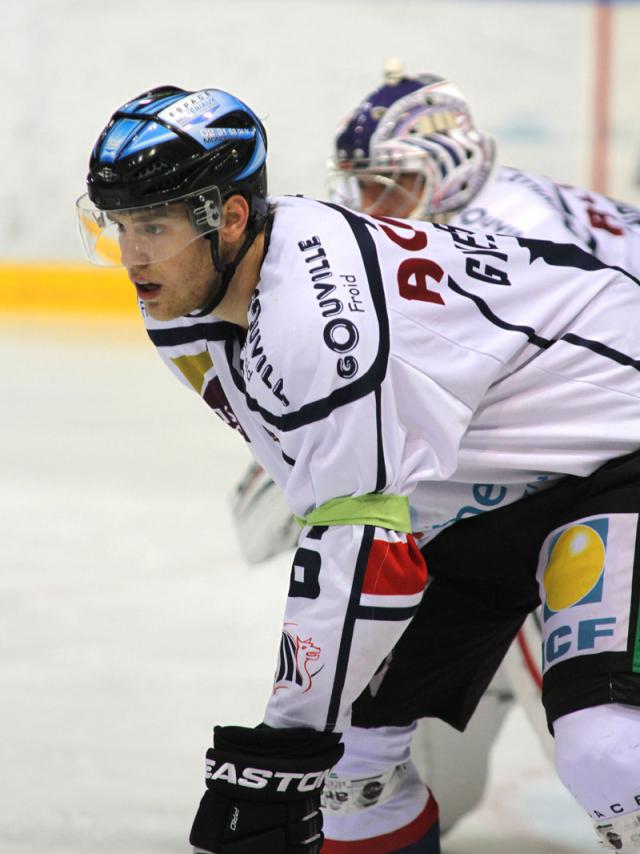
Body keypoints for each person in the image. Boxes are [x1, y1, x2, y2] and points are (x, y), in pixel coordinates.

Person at [77, 83, 640, 854]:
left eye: (154, 224)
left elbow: (362, 547)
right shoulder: (185, 293)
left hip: (617, 460)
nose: (131, 254)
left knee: (606, 752)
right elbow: (338, 512)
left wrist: (280, 749)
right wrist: (304, 745)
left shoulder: (321, 325)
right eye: (118, 226)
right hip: (498, 499)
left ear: (231, 219)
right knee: (351, 773)